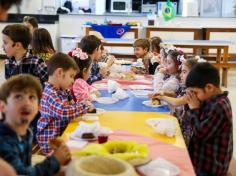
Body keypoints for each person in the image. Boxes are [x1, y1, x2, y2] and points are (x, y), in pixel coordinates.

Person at [0, 74, 71, 176]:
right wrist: (55, 160)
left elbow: (26, 167)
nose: (26, 103)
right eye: (18, 96)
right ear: (2, 106)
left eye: (31, 97)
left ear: (38, 107)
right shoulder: (3, 142)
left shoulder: (27, 131)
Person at [37, 52, 92, 155]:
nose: (73, 81)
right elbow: (63, 112)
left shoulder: (61, 91)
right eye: (71, 76)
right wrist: (83, 106)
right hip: (51, 144)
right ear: (59, 73)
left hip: (61, 135)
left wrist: (80, 104)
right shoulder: (50, 94)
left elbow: (70, 106)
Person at [185, 62, 233, 176]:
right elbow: (190, 120)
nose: (193, 96)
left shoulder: (219, 106)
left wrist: (194, 109)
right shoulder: (208, 99)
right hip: (200, 159)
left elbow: (200, 134)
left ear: (209, 87)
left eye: (195, 92)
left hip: (210, 167)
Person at [151, 58, 199, 146]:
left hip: (185, 129)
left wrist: (162, 97)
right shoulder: (184, 86)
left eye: (184, 72)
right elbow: (175, 94)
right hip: (177, 121)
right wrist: (164, 92)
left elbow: (177, 102)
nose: (180, 75)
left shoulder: (192, 92)